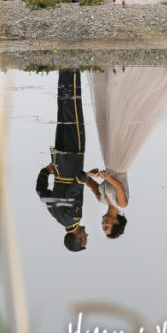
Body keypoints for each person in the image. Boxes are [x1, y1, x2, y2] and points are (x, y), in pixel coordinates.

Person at [86, 66, 167, 239]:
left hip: (109, 161)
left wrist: (89, 174)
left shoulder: (101, 199)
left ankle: (116, 77)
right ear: (115, 223)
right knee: (121, 123)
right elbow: (119, 186)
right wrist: (106, 177)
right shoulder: (122, 203)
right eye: (106, 227)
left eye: (102, 227)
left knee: (111, 120)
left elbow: (88, 182)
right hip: (120, 162)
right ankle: (128, 77)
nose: (103, 224)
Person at [35, 69, 97, 251]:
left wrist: (84, 178)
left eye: (84, 239)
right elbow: (41, 192)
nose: (86, 236)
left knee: (73, 111)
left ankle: (72, 68)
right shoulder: (57, 217)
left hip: (73, 160)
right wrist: (45, 171)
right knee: (62, 112)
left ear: (77, 238)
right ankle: (64, 71)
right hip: (60, 163)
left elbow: (72, 193)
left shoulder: (74, 218)